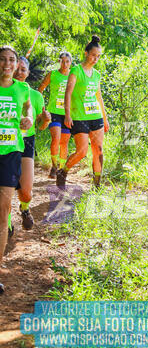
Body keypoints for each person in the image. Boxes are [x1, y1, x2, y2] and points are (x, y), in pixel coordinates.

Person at [0, 46, 33, 295]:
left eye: (11, 60)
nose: (7, 64)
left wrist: (28, 118)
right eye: (2, 60)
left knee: (3, 212)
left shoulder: (22, 89)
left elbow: (28, 108)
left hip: (10, 153)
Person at [56, 35, 109, 189]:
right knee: (82, 151)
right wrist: (67, 114)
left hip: (96, 116)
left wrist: (105, 119)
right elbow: (68, 92)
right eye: (93, 55)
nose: (95, 59)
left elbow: (99, 97)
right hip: (79, 116)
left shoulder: (97, 75)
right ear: (86, 53)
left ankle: (97, 184)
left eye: (98, 56)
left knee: (98, 150)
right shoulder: (76, 71)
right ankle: (63, 171)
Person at [14, 57, 51, 229]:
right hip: (5, 140)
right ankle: (6, 225)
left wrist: (45, 120)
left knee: (26, 192)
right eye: (17, 68)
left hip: (27, 141)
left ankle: (25, 208)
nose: (19, 72)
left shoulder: (35, 96)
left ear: (28, 73)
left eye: (23, 70)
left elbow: (41, 126)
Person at [38, 52, 72, 178]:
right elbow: (40, 90)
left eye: (67, 61)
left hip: (67, 114)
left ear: (70, 63)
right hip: (54, 112)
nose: (65, 64)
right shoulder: (52, 74)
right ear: (59, 62)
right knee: (56, 139)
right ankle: (54, 166)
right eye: (62, 61)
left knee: (64, 143)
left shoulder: (73, 76)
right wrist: (40, 108)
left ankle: (62, 170)